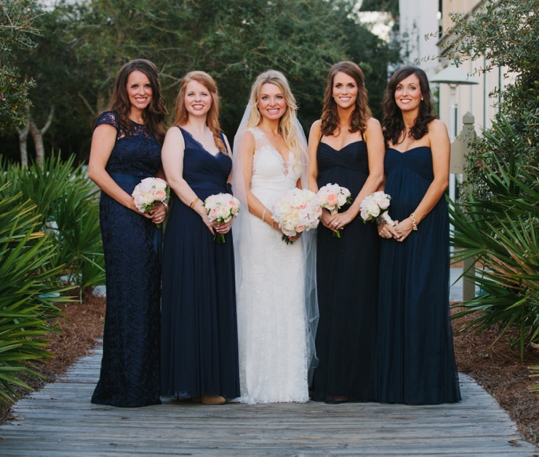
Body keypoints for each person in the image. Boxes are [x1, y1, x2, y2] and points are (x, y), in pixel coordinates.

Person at [376, 66, 461, 405]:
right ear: (393, 94)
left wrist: (411, 221)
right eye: (399, 87)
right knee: (394, 298)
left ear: (423, 93)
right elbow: (378, 181)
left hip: (424, 226)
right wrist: (381, 220)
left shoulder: (436, 128)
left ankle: (426, 385)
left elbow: (440, 181)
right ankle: (394, 384)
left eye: (412, 87)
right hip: (389, 228)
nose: (405, 93)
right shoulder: (386, 131)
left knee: (421, 297)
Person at [232, 70, 316, 404]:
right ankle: (257, 383)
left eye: (277, 97)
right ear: (257, 101)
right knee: (260, 299)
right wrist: (274, 220)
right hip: (259, 228)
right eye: (265, 97)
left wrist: (301, 217)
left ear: (286, 101)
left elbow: (300, 185)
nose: (272, 103)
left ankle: (291, 384)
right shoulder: (249, 137)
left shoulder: (295, 138)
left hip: (292, 233)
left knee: (289, 300)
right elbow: (241, 189)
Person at [88, 59, 168, 407]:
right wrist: (132, 204)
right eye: (135, 86)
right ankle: (124, 386)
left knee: (149, 291)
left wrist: (160, 202)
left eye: (147, 86)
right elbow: (96, 171)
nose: (141, 92)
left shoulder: (156, 126)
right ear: (124, 88)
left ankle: (145, 382)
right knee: (128, 291)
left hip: (148, 214)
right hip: (120, 214)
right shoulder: (111, 122)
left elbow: (163, 172)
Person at [307, 61, 385, 403]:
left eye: (350, 86)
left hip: (358, 224)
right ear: (331, 89)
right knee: (329, 296)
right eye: (338, 86)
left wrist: (351, 213)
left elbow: (377, 174)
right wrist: (322, 210)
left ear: (359, 89)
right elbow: (310, 174)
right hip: (325, 224)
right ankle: (328, 381)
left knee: (356, 296)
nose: (344, 92)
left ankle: (356, 382)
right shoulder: (317, 128)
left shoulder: (370, 125)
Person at [160, 71, 240, 405]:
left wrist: (229, 215)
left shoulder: (221, 136)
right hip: (188, 223)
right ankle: (188, 383)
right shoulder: (175, 135)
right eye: (191, 94)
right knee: (191, 296)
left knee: (216, 297)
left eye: (204, 94)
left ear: (212, 98)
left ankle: (213, 382)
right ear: (183, 99)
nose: (197, 99)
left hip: (220, 225)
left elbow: (231, 180)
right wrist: (203, 210)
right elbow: (175, 180)